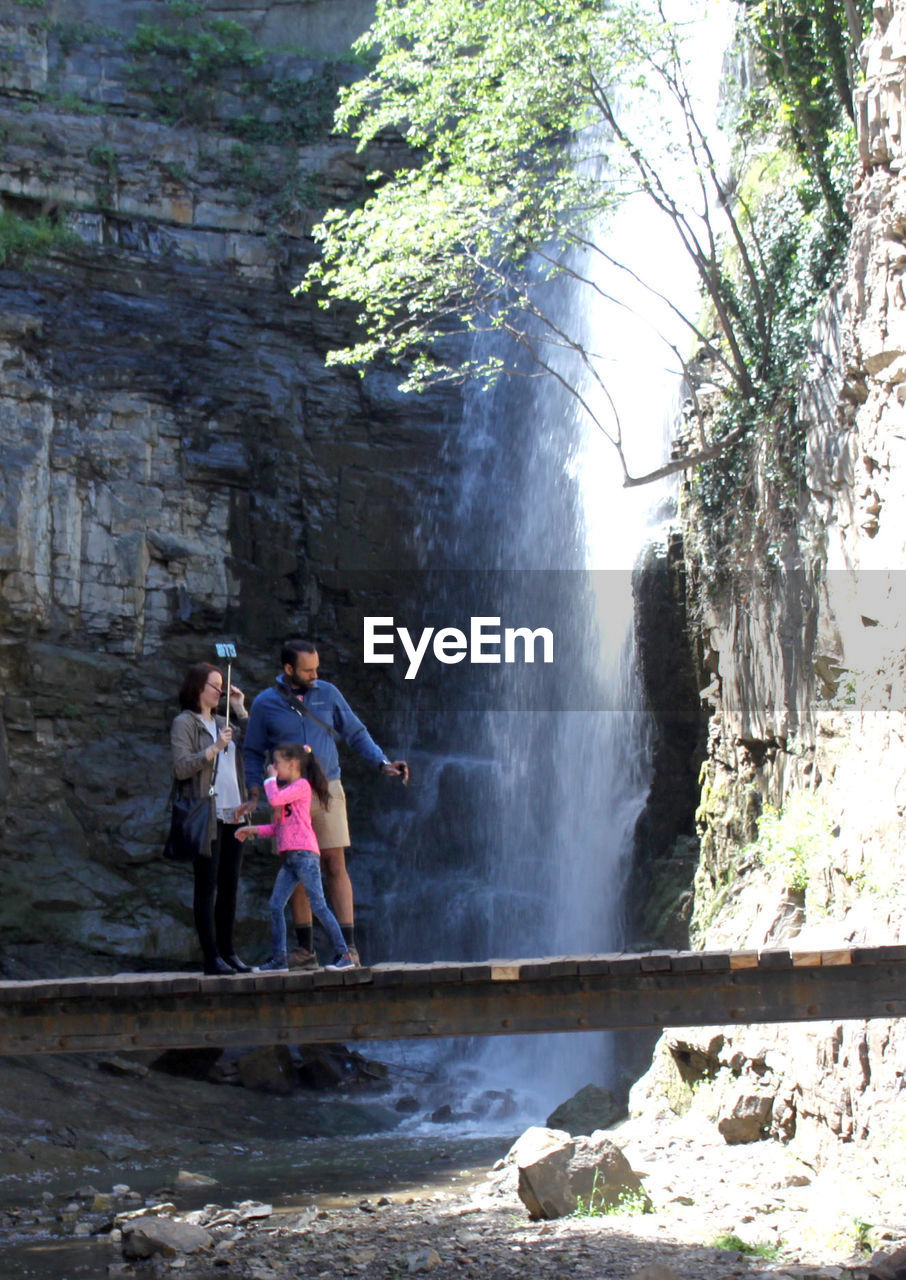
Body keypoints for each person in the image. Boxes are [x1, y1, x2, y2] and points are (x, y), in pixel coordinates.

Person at [243, 638, 408, 969]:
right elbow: (252, 750)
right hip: (289, 796)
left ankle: (348, 948)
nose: (315, 675)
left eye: (317, 668)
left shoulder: (329, 694)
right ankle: (305, 951)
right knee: (298, 865)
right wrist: (253, 791)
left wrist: (382, 762)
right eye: (308, 670)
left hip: (327, 788)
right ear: (288, 669)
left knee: (335, 863)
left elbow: (356, 733)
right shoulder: (265, 703)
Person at [236, 742, 355, 971]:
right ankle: (279, 959)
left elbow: (273, 799)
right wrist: (254, 830)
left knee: (319, 905)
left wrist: (269, 779)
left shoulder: (301, 786)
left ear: (292, 764)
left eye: (277, 763)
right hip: (291, 858)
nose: (273, 767)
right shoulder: (287, 792)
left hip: (305, 855)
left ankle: (345, 954)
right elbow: (280, 827)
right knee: (275, 905)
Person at [170, 662, 255, 976]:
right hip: (207, 813)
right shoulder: (185, 723)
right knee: (206, 885)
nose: (220, 690)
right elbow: (180, 767)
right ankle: (211, 957)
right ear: (197, 687)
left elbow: (256, 743)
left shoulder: (224, 720)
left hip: (235, 813)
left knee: (230, 885)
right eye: (215, 685)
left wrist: (240, 708)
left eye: (222, 685)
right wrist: (214, 748)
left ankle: (229, 952)